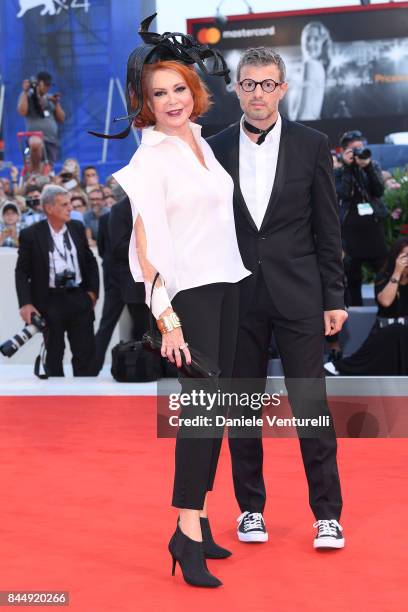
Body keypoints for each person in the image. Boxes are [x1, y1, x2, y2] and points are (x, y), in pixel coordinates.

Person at [105, 16, 248, 588]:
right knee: (201, 417)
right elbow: (147, 247)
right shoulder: (152, 158)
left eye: (178, 89)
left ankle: (204, 519)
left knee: (219, 414)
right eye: (158, 92)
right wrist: (165, 319)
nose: (170, 100)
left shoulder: (200, 147)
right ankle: (185, 532)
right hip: (186, 298)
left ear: (194, 91)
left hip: (228, 284)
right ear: (144, 101)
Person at [208, 47, 348, 549]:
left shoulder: (312, 144)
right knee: (241, 406)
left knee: (311, 404)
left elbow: (327, 228)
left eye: (268, 84)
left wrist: (335, 295)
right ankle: (250, 510)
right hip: (237, 295)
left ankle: (327, 514)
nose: (259, 93)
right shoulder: (215, 145)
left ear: (283, 89)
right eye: (249, 83)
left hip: (301, 295)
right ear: (238, 89)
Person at [15, 185, 99, 377]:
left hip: (79, 298)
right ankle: (55, 405)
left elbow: (90, 262)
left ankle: (87, 402)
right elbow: (21, 272)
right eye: (65, 204)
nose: (71, 208)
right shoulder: (31, 234)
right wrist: (26, 304)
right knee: (53, 356)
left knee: (85, 354)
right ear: (49, 208)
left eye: (70, 203)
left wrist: (93, 293)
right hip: (49, 301)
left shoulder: (77, 228)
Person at [325, 237, 408, 376]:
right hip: (385, 332)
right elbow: (386, 302)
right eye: (405, 256)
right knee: (394, 332)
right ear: (395, 257)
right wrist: (397, 273)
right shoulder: (384, 276)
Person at [92, 197, 149, 374]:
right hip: (118, 282)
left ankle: (143, 368)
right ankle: (91, 369)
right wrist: (146, 247)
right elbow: (110, 250)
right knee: (107, 326)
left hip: (139, 281)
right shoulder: (117, 211)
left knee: (142, 327)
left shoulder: (149, 207)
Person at [335, 130, 388, 305]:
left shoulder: (372, 165)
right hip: (350, 230)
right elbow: (344, 193)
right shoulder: (337, 171)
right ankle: (355, 312)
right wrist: (348, 167)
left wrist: (368, 167)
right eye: (354, 149)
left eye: (361, 147)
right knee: (352, 275)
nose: (359, 152)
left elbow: (379, 190)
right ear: (344, 151)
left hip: (373, 228)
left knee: (383, 269)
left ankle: (386, 307)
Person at [17, 71, 65, 166]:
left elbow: (62, 118)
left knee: (48, 168)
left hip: (51, 140)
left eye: (49, 85)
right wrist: (25, 92)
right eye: (46, 84)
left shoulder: (50, 98)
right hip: (34, 139)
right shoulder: (28, 97)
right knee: (35, 148)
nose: (48, 87)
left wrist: (56, 103)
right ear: (38, 83)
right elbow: (22, 112)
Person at [291, 21, 332, 121]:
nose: (310, 43)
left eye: (316, 39)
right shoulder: (320, 67)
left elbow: (303, 114)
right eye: (308, 38)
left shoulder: (310, 65)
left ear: (323, 43)